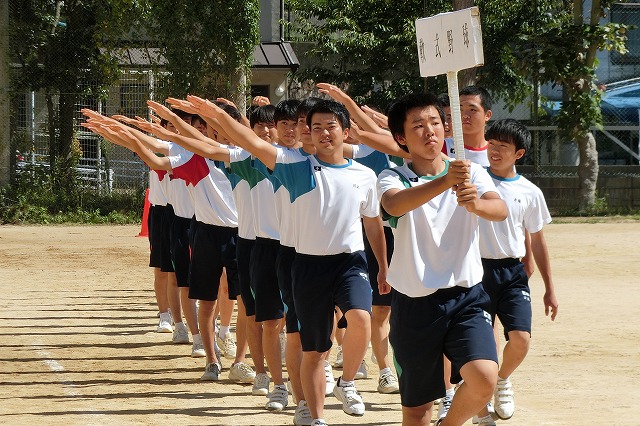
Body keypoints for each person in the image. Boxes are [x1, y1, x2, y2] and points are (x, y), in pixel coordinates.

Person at [203, 98, 388, 426]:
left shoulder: (364, 174)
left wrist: (383, 266)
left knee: (361, 318)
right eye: (316, 127)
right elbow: (250, 142)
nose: (323, 133)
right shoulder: (295, 167)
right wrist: (218, 116)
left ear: (346, 132)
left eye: (330, 126)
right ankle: (312, 414)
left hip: (350, 262)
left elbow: (373, 223)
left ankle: (346, 383)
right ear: (309, 133)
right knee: (311, 347)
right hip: (306, 265)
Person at [377, 92, 507, 426]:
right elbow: (393, 205)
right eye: (418, 125)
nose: (429, 131)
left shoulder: (471, 173)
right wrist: (445, 181)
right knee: (418, 411)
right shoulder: (393, 177)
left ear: (446, 127)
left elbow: (500, 209)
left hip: (466, 296)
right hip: (415, 304)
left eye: (435, 122)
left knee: (484, 377)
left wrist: (476, 204)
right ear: (401, 137)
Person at [478, 119, 559, 423]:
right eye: (491, 144)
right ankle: (479, 403)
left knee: (521, 338)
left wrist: (550, 288)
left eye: (503, 146)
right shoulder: (475, 179)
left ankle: (502, 380)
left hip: (512, 272)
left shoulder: (530, 192)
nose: (494, 150)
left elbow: (537, 240)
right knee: (482, 343)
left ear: (519, 153)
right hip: (475, 271)